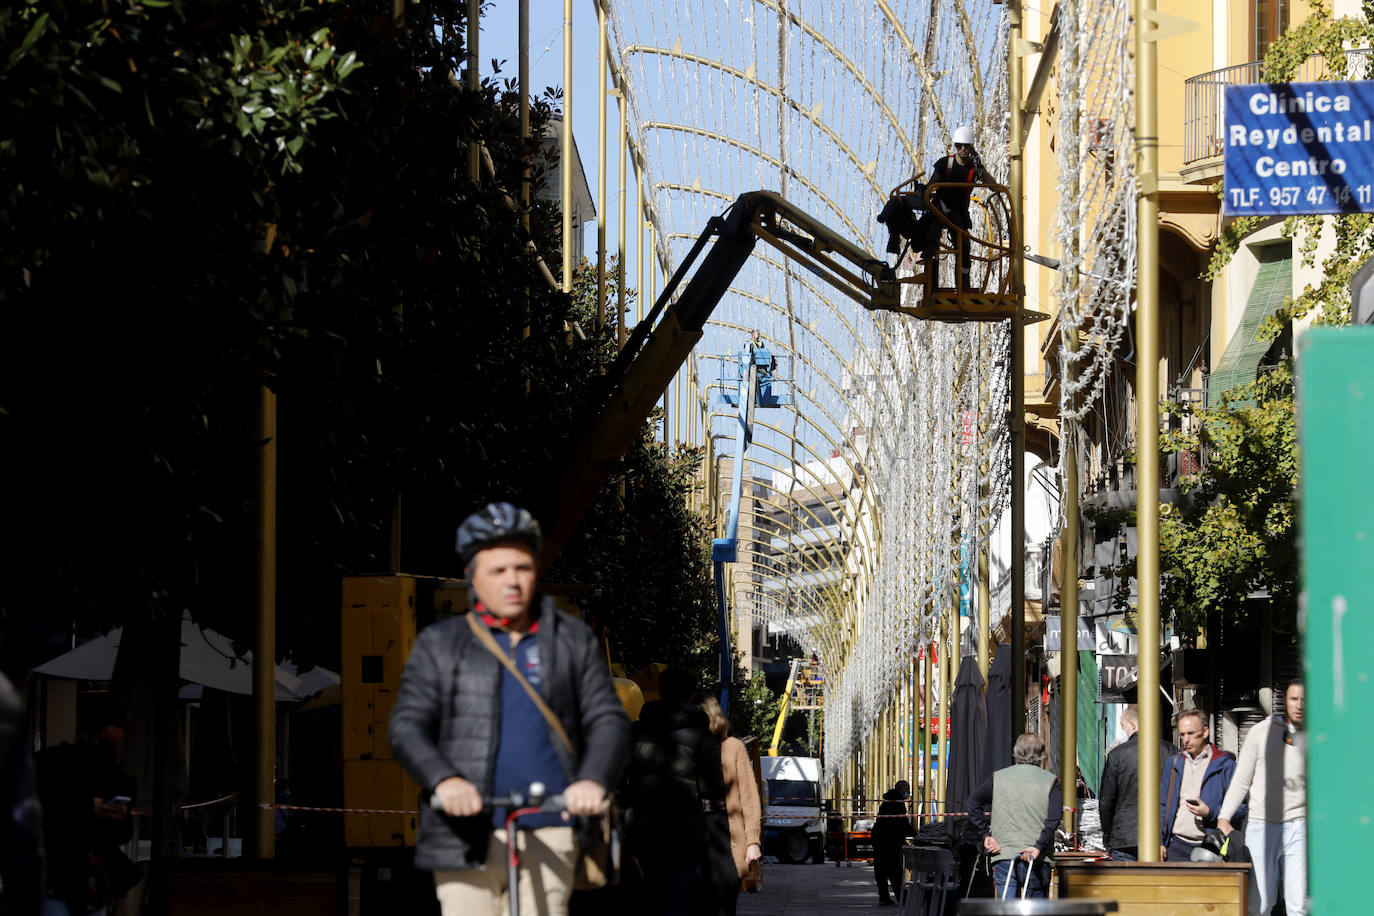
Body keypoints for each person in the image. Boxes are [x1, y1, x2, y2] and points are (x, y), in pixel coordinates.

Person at [388, 502, 631, 916]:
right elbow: (407, 726)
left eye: (521, 567)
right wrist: (444, 780)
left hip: (551, 826)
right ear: (471, 576)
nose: (512, 581)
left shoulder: (570, 640)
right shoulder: (442, 644)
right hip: (462, 834)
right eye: (497, 571)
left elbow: (607, 718)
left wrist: (592, 780)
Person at [619, 667, 726, 916]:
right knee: (678, 899)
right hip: (683, 832)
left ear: (659, 691)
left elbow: (617, 778)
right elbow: (714, 788)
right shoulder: (702, 739)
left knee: (644, 899)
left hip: (642, 830)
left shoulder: (634, 732)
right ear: (691, 695)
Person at [34, 695, 139, 916]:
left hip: (92, 880)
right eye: (103, 743)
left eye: (113, 746)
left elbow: (122, 834)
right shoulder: (50, 764)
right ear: (86, 733)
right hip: (54, 875)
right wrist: (85, 809)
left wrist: (119, 817)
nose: (107, 750)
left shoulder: (119, 778)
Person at [1218, 681, 1306, 916]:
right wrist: (1223, 817)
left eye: (1304, 700)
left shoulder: (1314, 735)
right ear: (1284, 701)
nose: (1299, 705)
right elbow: (1241, 779)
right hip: (1262, 825)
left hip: (1299, 823)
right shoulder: (1260, 732)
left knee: (1298, 905)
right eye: (1294, 699)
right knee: (1261, 904)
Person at [966, 733, 1061, 899]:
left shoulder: (998, 778)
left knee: (1007, 906)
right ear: (1042, 754)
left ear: (1016, 751)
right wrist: (1039, 846)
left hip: (1003, 852)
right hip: (1037, 856)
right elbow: (1054, 817)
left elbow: (973, 803)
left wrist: (986, 836)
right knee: (1036, 908)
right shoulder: (1051, 781)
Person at [699, 697, 761, 916]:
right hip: (699, 836)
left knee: (726, 902)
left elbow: (749, 796)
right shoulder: (690, 747)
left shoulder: (733, 747)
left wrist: (753, 841)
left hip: (728, 836)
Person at [914, 123, 990, 291]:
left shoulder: (974, 168)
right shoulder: (945, 164)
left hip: (959, 212)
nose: (962, 149)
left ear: (971, 147)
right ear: (955, 146)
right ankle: (929, 259)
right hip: (940, 207)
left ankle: (963, 286)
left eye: (966, 146)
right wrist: (923, 191)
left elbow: (992, 183)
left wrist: (982, 172)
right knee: (932, 234)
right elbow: (932, 185)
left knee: (963, 247)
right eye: (959, 145)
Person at [1160, 709, 1243, 863]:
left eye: (1191, 733)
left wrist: (1210, 812)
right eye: (1182, 734)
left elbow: (1241, 808)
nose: (1186, 739)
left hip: (1212, 846)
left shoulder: (1225, 765)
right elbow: (1163, 805)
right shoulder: (1174, 763)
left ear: (1205, 732)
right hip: (1177, 845)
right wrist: (1160, 842)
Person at [1098, 705, 1171, 860]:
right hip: (1159, 837)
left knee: (1125, 882)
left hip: (1124, 836)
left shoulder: (1117, 755)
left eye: (1123, 726)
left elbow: (1106, 801)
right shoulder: (1170, 751)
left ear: (1132, 725)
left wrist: (1108, 835)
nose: (1123, 731)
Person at [872, 780, 914, 905]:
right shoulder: (897, 802)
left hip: (880, 840)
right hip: (890, 841)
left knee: (881, 871)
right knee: (895, 871)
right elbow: (902, 822)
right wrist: (915, 834)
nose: (909, 793)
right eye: (908, 790)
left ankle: (884, 897)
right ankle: (901, 898)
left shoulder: (888, 800)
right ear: (903, 790)